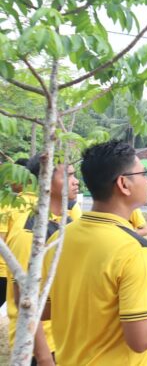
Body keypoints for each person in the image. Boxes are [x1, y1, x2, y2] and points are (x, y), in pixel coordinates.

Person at [43, 140, 147, 365]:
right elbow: (140, 338)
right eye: (144, 173)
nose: (146, 179)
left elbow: (46, 310)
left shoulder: (59, 239)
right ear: (124, 184)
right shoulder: (134, 250)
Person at [6, 156, 78, 365]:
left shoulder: (64, 222)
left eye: (74, 174)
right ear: (45, 180)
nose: (75, 181)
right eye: (67, 175)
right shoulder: (32, 232)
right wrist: (45, 357)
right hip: (41, 346)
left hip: (61, 340)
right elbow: (24, 298)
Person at [0, 157, 29, 308]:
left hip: (5, 270)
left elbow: (1, 239)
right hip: (20, 270)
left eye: (14, 177)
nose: (11, 182)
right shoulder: (40, 204)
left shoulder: (9, 203)